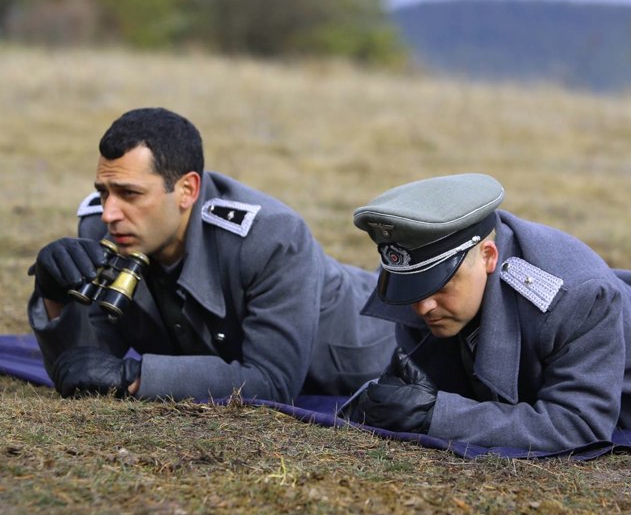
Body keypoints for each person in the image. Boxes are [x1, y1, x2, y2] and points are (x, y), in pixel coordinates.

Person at [343, 173, 631, 453]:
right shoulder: (434, 277)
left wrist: (434, 415)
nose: (422, 305)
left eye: (438, 286)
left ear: (487, 255)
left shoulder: (573, 295)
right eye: (411, 288)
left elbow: (579, 424)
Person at [28, 107, 396, 401]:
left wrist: (135, 377)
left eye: (130, 194)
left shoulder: (273, 237)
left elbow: (272, 382)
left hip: (382, 339)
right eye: (104, 191)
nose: (110, 213)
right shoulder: (103, 228)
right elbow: (82, 366)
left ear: (187, 190)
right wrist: (54, 297)